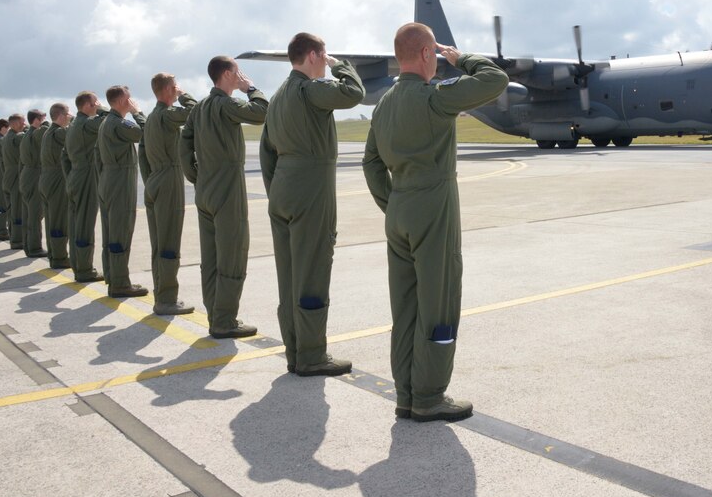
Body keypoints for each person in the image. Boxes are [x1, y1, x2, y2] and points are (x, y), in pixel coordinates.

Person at [362, 23, 507, 422]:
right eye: (436, 55)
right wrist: (462, 59)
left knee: (405, 307)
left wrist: (391, 203)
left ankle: (406, 395)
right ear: (428, 54)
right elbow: (495, 79)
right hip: (433, 207)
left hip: (400, 210)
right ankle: (429, 397)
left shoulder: (385, 103)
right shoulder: (434, 98)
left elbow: (370, 161)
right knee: (439, 302)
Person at [260, 32, 365, 375]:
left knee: (289, 275)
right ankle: (311, 355)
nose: (326, 62)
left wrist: (278, 190)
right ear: (313, 55)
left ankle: (295, 351)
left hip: (282, 188)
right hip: (310, 189)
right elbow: (353, 93)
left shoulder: (277, 97)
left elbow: (266, 153)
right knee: (313, 270)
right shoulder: (308, 90)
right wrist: (343, 66)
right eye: (324, 56)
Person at [179, 56, 267, 338]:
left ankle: (215, 314)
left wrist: (194, 174)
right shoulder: (225, 104)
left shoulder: (201, 106)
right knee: (232, 254)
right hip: (227, 187)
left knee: (212, 257)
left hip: (204, 187)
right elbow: (262, 112)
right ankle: (225, 320)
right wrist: (250, 87)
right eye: (237, 72)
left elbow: (185, 141)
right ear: (228, 74)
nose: (240, 75)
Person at [142, 73, 197, 315]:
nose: (177, 91)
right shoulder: (165, 115)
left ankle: (161, 294)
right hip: (168, 179)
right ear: (167, 90)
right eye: (174, 88)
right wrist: (185, 95)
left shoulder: (152, 117)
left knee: (159, 243)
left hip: (154, 178)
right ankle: (166, 299)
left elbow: (142, 154)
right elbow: (193, 112)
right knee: (168, 243)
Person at [98, 85, 148, 297]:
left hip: (109, 179)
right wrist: (138, 113)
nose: (131, 101)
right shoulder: (118, 123)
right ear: (120, 101)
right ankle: (119, 284)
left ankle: (113, 276)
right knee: (120, 232)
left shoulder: (107, 122)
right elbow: (146, 133)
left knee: (111, 232)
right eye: (128, 99)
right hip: (119, 181)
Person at [63, 92, 108, 283]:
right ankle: (84, 269)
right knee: (85, 224)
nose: (97, 106)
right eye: (95, 103)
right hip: (86, 175)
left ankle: (78, 265)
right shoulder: (86, 124)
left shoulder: (73, 125)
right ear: (88, 105)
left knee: (75, 224)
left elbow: (64, 157)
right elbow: (110, 117)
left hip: (75, 174)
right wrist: (102, 107)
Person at [40, 103, 74, 269]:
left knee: (51, 220)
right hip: (57, 178)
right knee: (59, 219)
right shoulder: (59, 132)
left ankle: (54, 254)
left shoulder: (48, 132)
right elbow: (76, 135)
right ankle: (60, 258)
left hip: (47, 177)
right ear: (61, 116)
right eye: (68, 114)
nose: (70, 116)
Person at [19, 109, 49, 257]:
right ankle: (35, 247)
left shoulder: (27, 134)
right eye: (43, 118)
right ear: (37, 120)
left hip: (27, 174)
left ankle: (28, 245)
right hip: (34, 174)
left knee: (28, 213)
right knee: (35, 213)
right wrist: (45, 123)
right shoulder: (35, 133)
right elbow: (48, 130)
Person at [1, 114, 26, 250]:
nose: (24, 124)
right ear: (15, 124)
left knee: (12, 209)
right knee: (17, 210)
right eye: (22, 122)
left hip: (8, 174)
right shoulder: (17, 137)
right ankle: (17, 240)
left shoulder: (6, 137)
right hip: (15, 175)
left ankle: (14, 237)